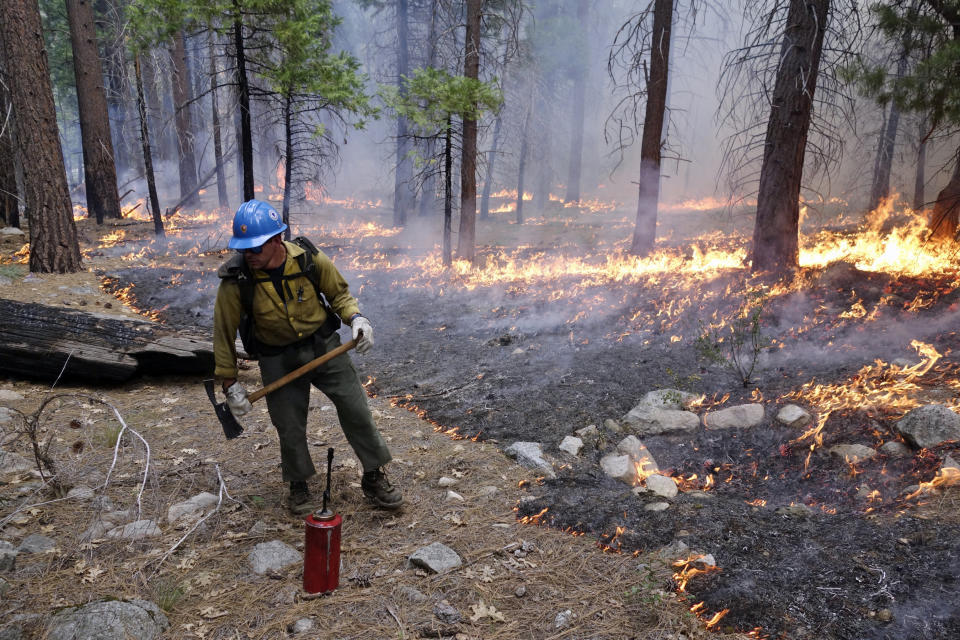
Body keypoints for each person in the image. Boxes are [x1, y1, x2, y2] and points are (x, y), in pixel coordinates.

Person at [212, 199, 402, 514]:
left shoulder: (309, 259)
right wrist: (230, 384)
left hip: (324, 347)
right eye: (244, 249)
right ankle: (298, 482)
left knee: (356, 409)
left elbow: (339, 294)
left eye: (255, 248)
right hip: (276, 356)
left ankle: (373, 475)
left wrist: (356, 319)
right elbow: (223, 332)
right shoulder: (237, 280)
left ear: (276, 241)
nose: (249, 255)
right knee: (288, 425)